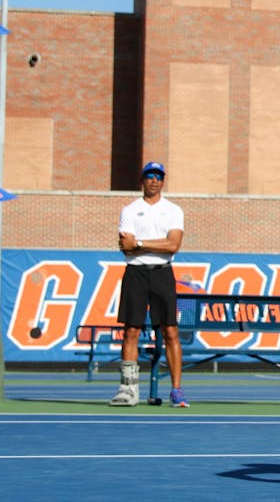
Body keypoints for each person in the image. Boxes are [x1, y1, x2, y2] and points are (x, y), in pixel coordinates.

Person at [108, 161, 189, 408]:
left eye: (158, 177)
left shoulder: (173, 210)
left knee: (170, 331)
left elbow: (173, 245)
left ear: (163, 181)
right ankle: (128, 389)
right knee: (131, 330)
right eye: (149, 176)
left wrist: (141, 244)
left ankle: (176, 390)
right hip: (136, 273)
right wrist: (152, 244)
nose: (154, 180)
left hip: (162, 273)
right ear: (142, 180)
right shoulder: (130, 209)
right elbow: (126, 246)